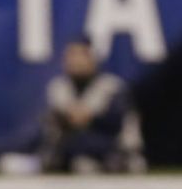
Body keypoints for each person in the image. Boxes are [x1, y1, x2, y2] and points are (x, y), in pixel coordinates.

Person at [40, 37, 146, 174]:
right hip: (73, 147)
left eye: (81, 55)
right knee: (58, 151)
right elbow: (52, 122)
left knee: (96, 146)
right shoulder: (58, 87)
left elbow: (117, 122)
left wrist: (90, 117)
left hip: (112, 147)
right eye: (71, 55)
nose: (76, 61)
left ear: (93, 58)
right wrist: (70, 117)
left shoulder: (111, 86)